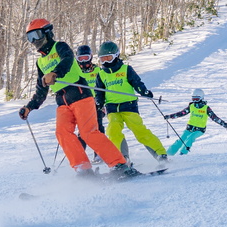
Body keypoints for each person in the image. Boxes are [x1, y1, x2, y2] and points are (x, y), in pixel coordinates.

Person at [18, 19, 138, 178]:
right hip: (62, 101)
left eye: (36, 35)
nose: (34, 40)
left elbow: (67, 60)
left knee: (88, 133)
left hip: (80, 94)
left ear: (47, 32)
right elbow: (41, 89)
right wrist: (30, 106)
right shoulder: (40, 62)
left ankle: (120, 164)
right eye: (30, 37)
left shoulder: (60, 47)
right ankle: (83, 169)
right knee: (62, 133)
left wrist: (55, 73)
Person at [94, 41, 166, 168]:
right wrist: (99, 104)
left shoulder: (126, 69)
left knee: (139, 130)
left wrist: (143, 91)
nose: (105, 61)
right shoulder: (101, 74)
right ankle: (122, 160)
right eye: (102, 59)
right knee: (113, 131)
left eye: (108, 58)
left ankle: (160, 154)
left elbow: (136, 82)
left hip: (129, 106)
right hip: (112, 108)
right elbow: (99, 92)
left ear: (116, 55)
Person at [164, 89, 227, 155]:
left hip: (199, 130)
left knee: (190, 138)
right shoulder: (191, 106)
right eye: (193, 99)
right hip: (189, 128)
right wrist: (170, 116)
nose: (194, 101)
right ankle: (168, 154)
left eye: (196, 99)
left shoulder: (206, 108)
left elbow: (214, 117)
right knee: (180, 141)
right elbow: (181, 113)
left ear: (201, 98)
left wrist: (222, 123)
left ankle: (182, 154)